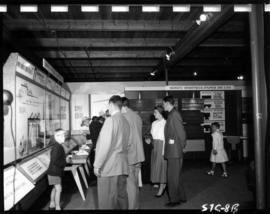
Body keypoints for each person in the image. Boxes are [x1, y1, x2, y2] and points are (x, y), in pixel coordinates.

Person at [94, 95, 130, 209]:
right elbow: (128, 144)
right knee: (121, 197)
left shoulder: (110, 120)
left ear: (111, 104)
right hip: (122, 165)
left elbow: (104, 145)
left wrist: (97, 165)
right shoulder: (125, 121)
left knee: (107, 200)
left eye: (108, 105)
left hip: (109, 167)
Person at [163, 95, 187, 207]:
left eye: (163, 103)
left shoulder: (174, 115)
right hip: (174, 150)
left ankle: (175, 200)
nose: (163, 106)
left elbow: (181, 133)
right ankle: (181, 197)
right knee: (177, 175)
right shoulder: (171, 114)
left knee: (172, 176)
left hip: (175, 151)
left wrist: (182, 147)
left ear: (167, 103)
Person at [121, 97, 145, 209]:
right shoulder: (137, 116)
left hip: (129, 155)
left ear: (122, 106)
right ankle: (136, 206)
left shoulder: (124, 118)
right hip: (138, 154)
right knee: (135, 184)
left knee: (130, 186)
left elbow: (126, 139)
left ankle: (132, 208)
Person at [47, 129, 67, 210]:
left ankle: (52, 204)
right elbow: (55, 160)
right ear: (57, 137)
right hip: (55, 172)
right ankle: (58, 207)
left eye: (64, 135)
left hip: (52, 172)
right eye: (62, 135)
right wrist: (64, 162)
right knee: (59, 189)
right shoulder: (58, 147)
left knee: (55, 188)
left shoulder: (57, 146)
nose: (64, 137)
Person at [149, 106, 167, 197]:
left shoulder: (166, 123)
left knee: (162, 167)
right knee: (156, 166)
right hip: (155, 147)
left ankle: (162, 186)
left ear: (160, 113)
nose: (154, 114)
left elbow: (166, 139)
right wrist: (149, 140)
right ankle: (160, 182)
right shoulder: (154, 123)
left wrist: (164, 151)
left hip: (162, 146)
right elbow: (152, 135)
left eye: (155, 112)